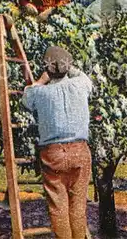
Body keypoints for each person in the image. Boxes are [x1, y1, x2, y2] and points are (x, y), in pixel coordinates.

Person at [22, 46, 93, 239]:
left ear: (47, 69)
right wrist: (68, 67)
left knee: (58, 207)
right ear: (68, 66)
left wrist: (41, 80)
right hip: (80, 150)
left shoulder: (41, 93)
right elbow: (83, 77)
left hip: (53, 154)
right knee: (78, 208)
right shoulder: (81, 84)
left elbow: (26, 97)